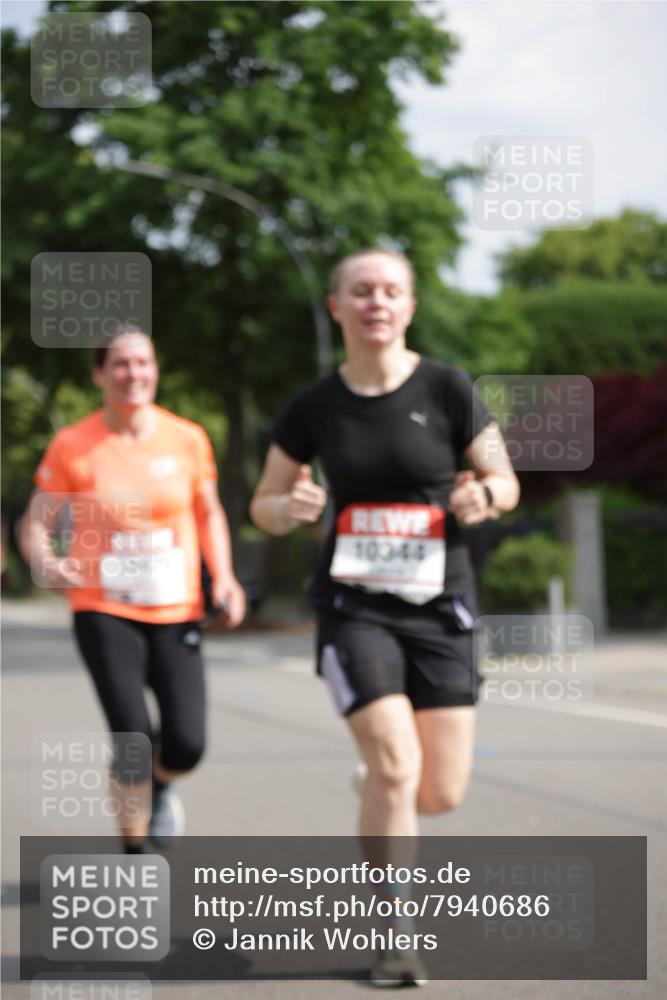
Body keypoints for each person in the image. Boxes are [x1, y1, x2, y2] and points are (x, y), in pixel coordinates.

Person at [250, 248, 519, 985]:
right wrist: (288, 506)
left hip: (442, 607)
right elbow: (264, 504)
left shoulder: (448, 388)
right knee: (396, 765)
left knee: (438, 791)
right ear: (336, 306)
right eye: (361, 291)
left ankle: (377, 790)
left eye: (391, 290)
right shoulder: (313, 407)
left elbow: (504, 478)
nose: (376, 301)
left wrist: (483, 497)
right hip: (353, 607)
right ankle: (393, 929)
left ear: (409, 306)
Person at [21, 327, 246, 852]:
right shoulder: (73, 443)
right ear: (100, 374)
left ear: (155, 370)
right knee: (131, 736)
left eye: (142, 363)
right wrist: (46, 561)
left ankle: (161, 785)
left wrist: (227, 577)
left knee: (187, 743)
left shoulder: (186, 438)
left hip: (176, 606)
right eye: (119, 364)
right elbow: (36, 520)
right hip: (102, 607)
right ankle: (134, 851)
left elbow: (208, 512)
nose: (133, 374)